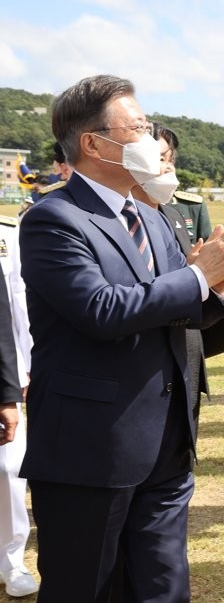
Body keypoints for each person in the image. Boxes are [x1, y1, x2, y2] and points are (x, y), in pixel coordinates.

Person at [18, 74, 224, 602]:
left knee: (162, 584)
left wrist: (219, 284)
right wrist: (198, 278)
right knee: (83, 586)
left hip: (167, 439)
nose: (152, 141)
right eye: (140, 128)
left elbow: (182, 309)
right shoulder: (53, 220)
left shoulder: (151, 218)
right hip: (92, 447)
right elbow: (100, 309)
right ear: (93, 143)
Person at [131, 124, 210, 427]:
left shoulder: (175, 214)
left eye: (169, 157)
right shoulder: (111, 219)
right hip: (139, 359)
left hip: (185, 347)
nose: (167, 167)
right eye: (158, 158)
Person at [0, 216, 38, 598]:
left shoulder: (5, 234)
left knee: (8, 469)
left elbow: (16, 307)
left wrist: (26, 370)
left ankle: (10, 559)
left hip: (5, 371)